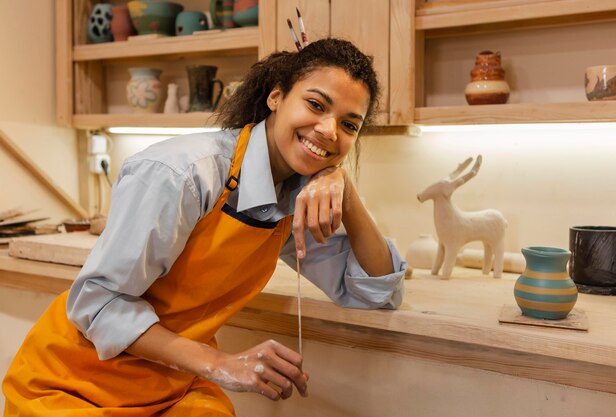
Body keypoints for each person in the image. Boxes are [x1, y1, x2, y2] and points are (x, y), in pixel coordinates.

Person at [2, 37, 406, 416]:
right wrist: (221, 363)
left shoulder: (297, 195)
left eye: (349, 125)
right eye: (316, 105)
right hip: (71, 382)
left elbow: (376, 290)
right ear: (277, 96)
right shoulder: (179, 174)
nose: (329, 131)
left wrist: (346, 188)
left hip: (169, 385)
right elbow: (97, 304)